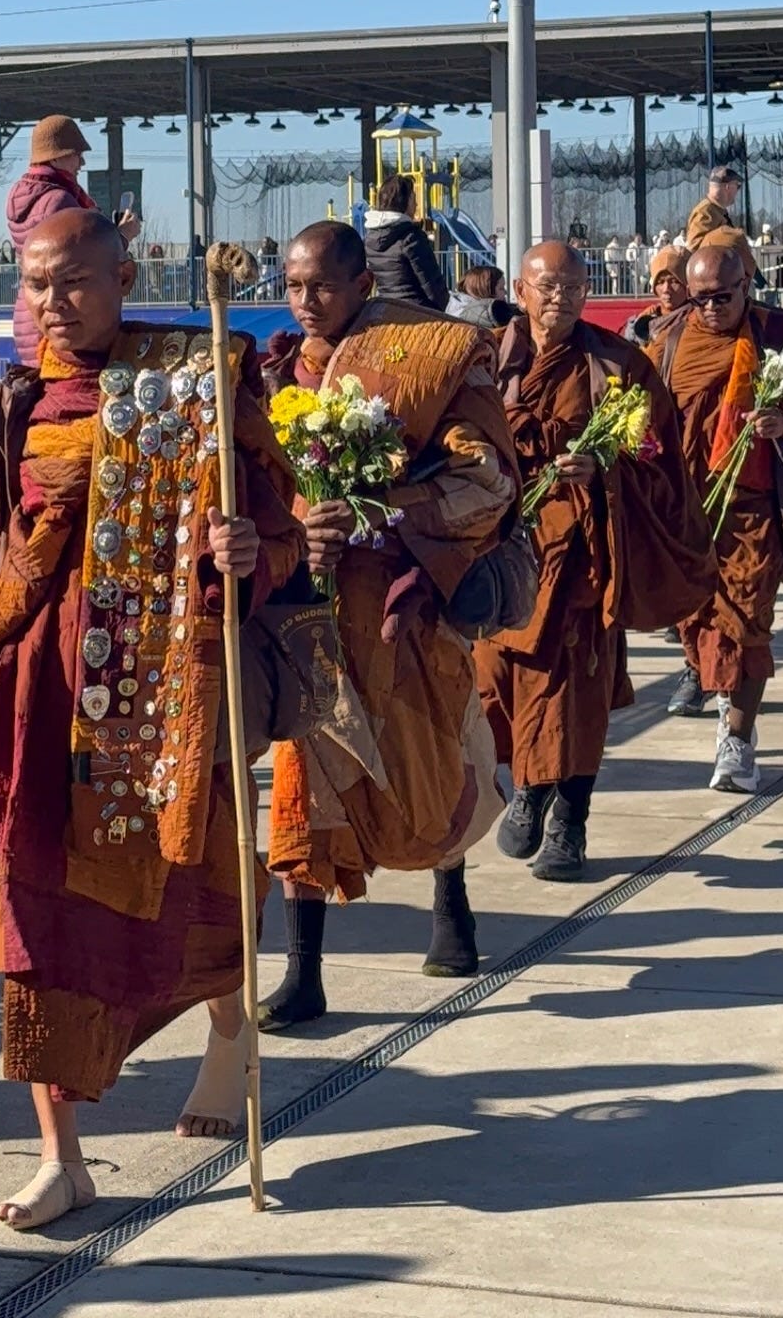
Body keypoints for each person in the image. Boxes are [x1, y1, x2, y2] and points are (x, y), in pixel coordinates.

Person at [0, 209, 305, 1230]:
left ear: (123, 273)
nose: (54, 305)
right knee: (31, 917)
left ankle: (229, 1023)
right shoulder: (20, 397)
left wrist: (243, 551)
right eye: (37, 286)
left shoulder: (192, 382)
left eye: (73, 284)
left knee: (181, 895)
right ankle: (64, 1158)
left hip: (151, 694)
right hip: (28, 689)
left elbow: (278, 527)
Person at [259, 220, 516, 1029]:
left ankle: (453, 897)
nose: (306, 303)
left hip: (403, 608)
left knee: (427, 762)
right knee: (306, 777)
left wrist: (377, 510)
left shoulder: (433, 360)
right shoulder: (272, 372)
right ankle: (304, 972)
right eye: (293, 286)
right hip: (309, 611)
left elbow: (491, 480)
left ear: (363, 287)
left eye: (323, 287)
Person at [474, 243, 714, 881]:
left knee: (577, 690)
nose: (562, 299)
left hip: (583, 559)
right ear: (520, 291)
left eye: (575, 288)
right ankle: (528, 786)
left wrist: (604, 466)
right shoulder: (486, 359)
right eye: (548, 287)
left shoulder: (617, 365)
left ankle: (568, 820)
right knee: (498, 672)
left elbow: (660, 459)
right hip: (505, 552)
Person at [647, 244, 783, 792]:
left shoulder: (781, 337)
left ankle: (738, 739)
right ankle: (709, 689)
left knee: (748, 623)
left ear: (745, 287)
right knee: (694, 620)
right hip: (686, 509)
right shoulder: (670, 341)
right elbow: (645, 415)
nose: (709, 308)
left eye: (721, 297)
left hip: (750, 509)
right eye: (699, 296)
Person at [6, 115, 140, 364]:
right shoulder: (59, 201)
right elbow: (77, 258)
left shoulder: (21, 196)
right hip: (61, 317)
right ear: (54, 156)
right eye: (75, 153)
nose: (81, 161)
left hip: (30, 312)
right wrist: (122, 235)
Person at [363, 174, 449, 310]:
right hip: (419, 312)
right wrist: (443, 307)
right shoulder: (411, 237)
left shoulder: (370, 238)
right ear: (406, 201)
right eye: (414, 199)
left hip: (389, 310)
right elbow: (432, 284)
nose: (416, 204)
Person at [622, 246, 689, 345]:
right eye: (661, 282)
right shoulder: (646, 317)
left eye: (674, 281)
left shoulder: (700, 318)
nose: (666, 289)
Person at [685, 164, 743, 251]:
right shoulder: (705, 211)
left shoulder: (717, 211)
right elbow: (694, 248)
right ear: (728, 187)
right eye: (737, 186)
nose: (737, 191)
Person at [445, 263, 516, 329]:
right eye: (501, 288)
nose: (505, 292)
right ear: (484, 290)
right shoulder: (475, 317)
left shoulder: (459, 310)